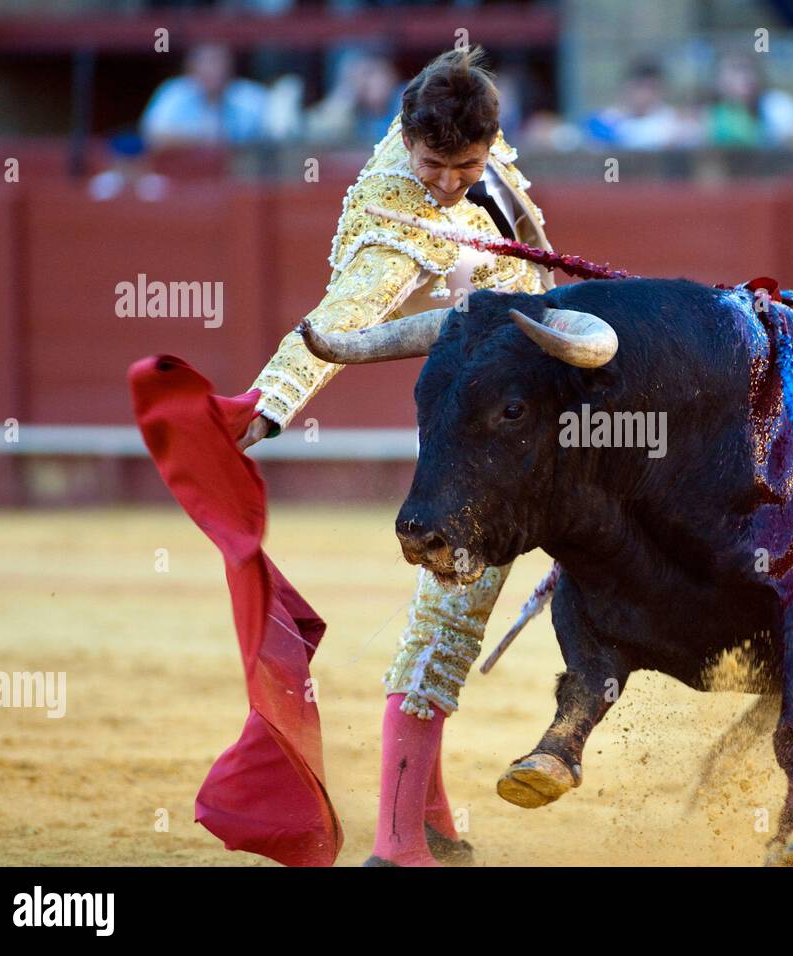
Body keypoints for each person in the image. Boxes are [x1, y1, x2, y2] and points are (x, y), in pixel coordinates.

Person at [238, 46, 555, 867]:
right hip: (473, 445)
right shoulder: (395, 221)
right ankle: (395, 846)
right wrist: (268, 410)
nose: (449, 182)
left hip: (525, 410)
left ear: (491, 142)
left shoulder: (487, 161)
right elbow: (339, 322)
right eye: (433, 163)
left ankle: (435, 821)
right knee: (447, 619)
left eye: (467, 165)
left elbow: (532, 240)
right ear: (404, 139)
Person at [141, 43, 269, 147]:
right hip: (184, 169)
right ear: (191, 67)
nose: (213, 69)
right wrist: (201, 140)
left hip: (238, 171)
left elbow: (273, 138)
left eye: (218, 61)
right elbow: (152, 136)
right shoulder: (175, 92)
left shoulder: (251, 96)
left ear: (230, 66)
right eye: (206, 62)